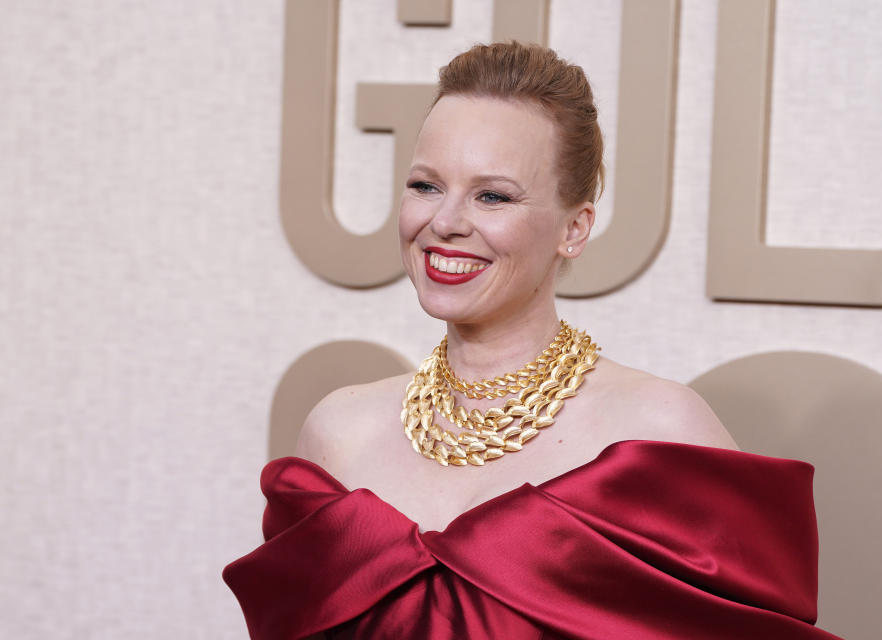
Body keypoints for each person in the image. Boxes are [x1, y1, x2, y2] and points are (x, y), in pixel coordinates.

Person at [223, 42, 842, 640]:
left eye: (493, 196)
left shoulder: (657, 432)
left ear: (574, 228)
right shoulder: (338, 432)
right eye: (425, 185)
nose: (445, 222)